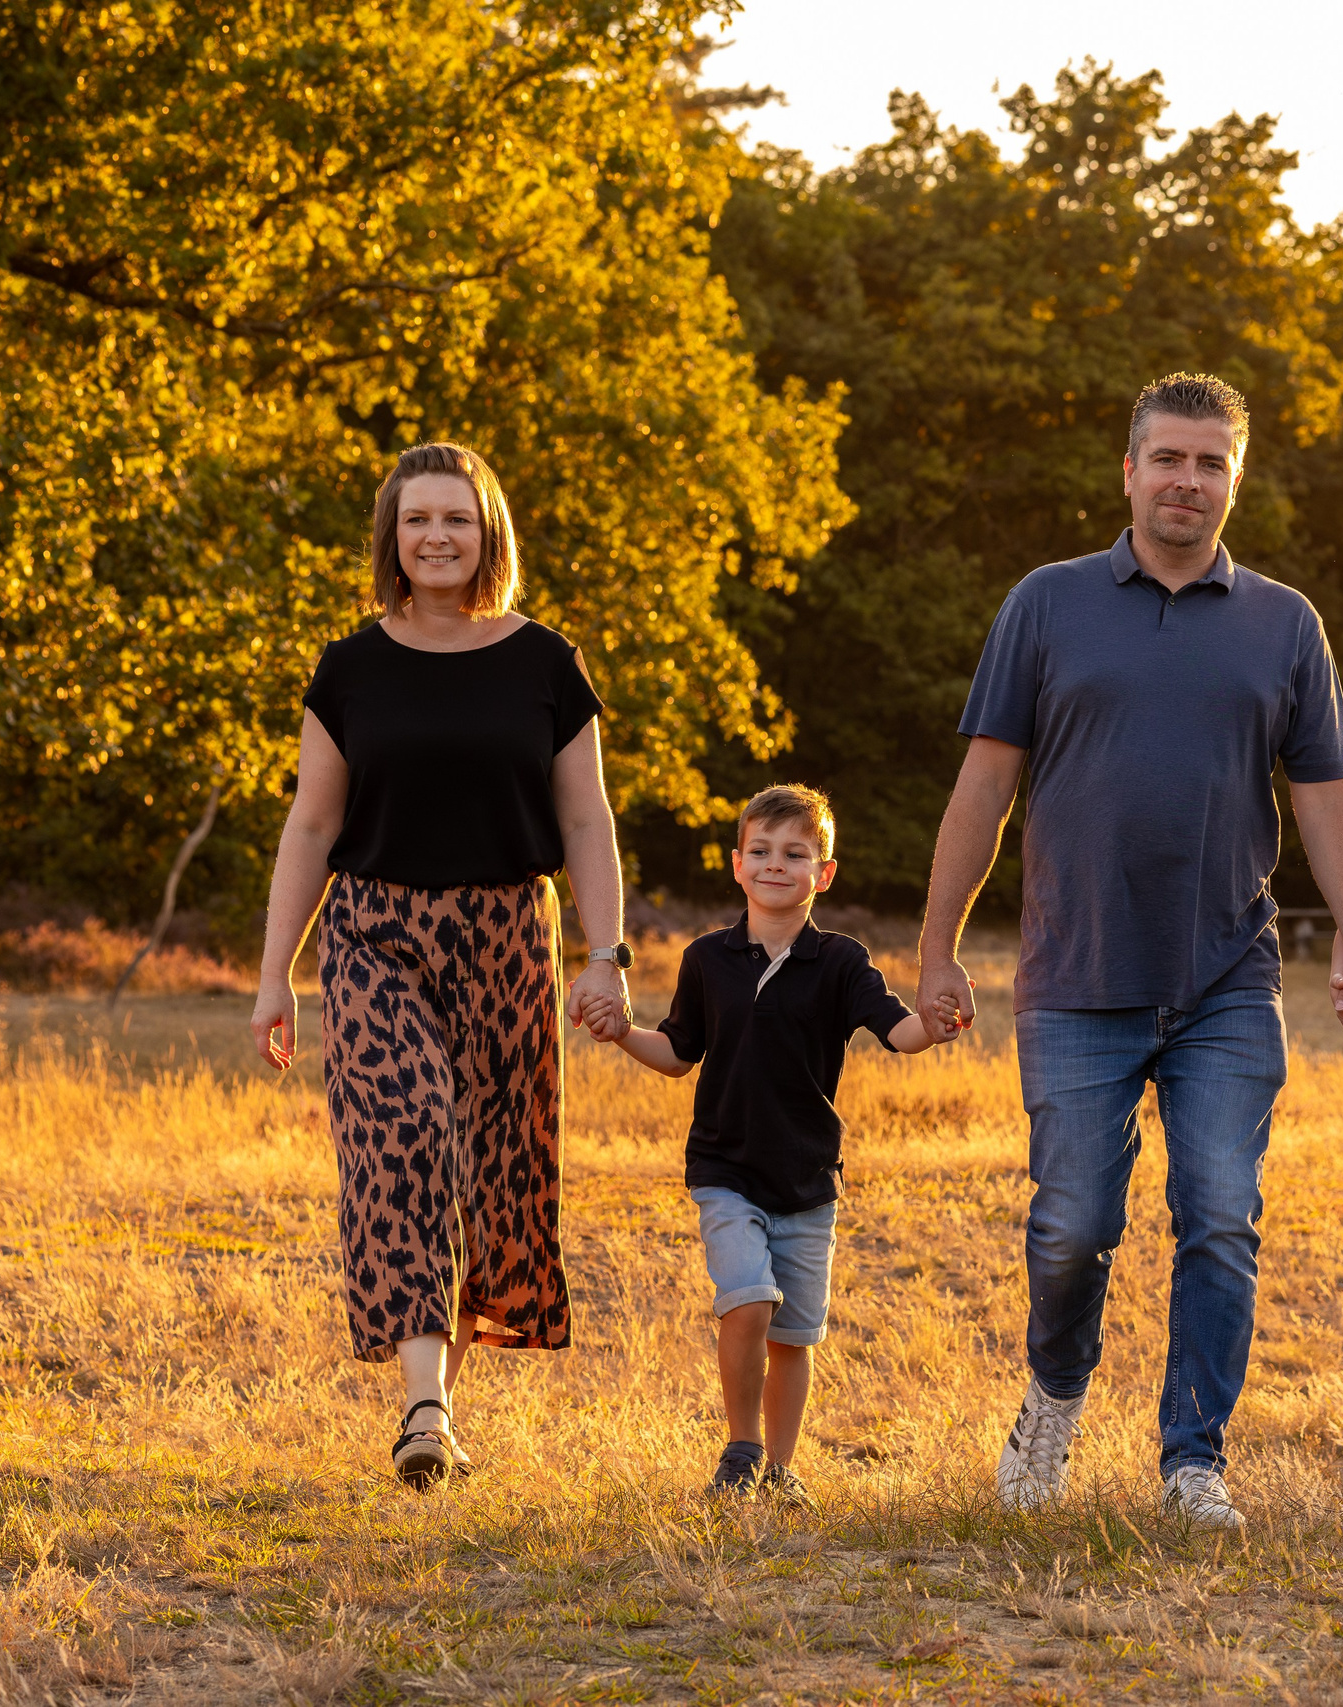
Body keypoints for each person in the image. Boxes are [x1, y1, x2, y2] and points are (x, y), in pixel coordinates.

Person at [916, 373, 1343, 1534]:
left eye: (1211, 463)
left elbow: (1326, 798)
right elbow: (984, 788)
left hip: (1227, 980)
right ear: (1127, 471)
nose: (1188, 481)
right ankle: (1055, 1395)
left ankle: (1193, 1461)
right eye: (1168, 459)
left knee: (1220, 1212)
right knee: (1073, 1222)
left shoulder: (1284, 623)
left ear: (1237, 478)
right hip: (1076, 975)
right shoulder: (1047, 603)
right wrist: (936, 949)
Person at [249, 442, 636, 1491]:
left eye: (456, 520)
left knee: (492, 1171)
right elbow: (312, 824)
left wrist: (605, 956)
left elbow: (584, 819)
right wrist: (273, 972)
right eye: (417, 519)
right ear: (392, 536)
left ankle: (440, 1410)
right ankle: (422, 1404)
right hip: (375, 933)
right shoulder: (350, 669)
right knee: (405, 1139)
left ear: (486, 534)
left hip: (510, 933)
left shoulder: (545, 663)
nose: (436, 537)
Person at [595, 785, 954, 1503]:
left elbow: (899, 1031)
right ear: (737, 864)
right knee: (748, 1300)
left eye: (795, 853)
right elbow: (676, 1052)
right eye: (760, 850)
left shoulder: (842, 961)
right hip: (725, 1166)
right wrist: (621, 1032)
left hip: (809, 1176)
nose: (774, 864)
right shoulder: (706, 959)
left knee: (794, 1334)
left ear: (823, 872)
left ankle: (782, 1472)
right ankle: (742, 1449)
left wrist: (937, 1019)